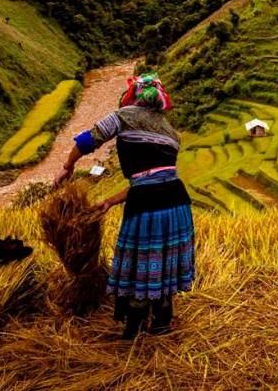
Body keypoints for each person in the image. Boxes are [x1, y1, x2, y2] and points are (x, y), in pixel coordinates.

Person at [53, 73, 195, 338]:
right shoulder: (172, 133)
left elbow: (86, 140)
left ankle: (134, 328)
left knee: (141, 262)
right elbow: (149, 179)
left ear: (133, 96)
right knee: (163, 260)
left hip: (146, 207)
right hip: (177, 204)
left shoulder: (123, 116)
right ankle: (162, 322)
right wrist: (109, 201)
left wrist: (67, 167)